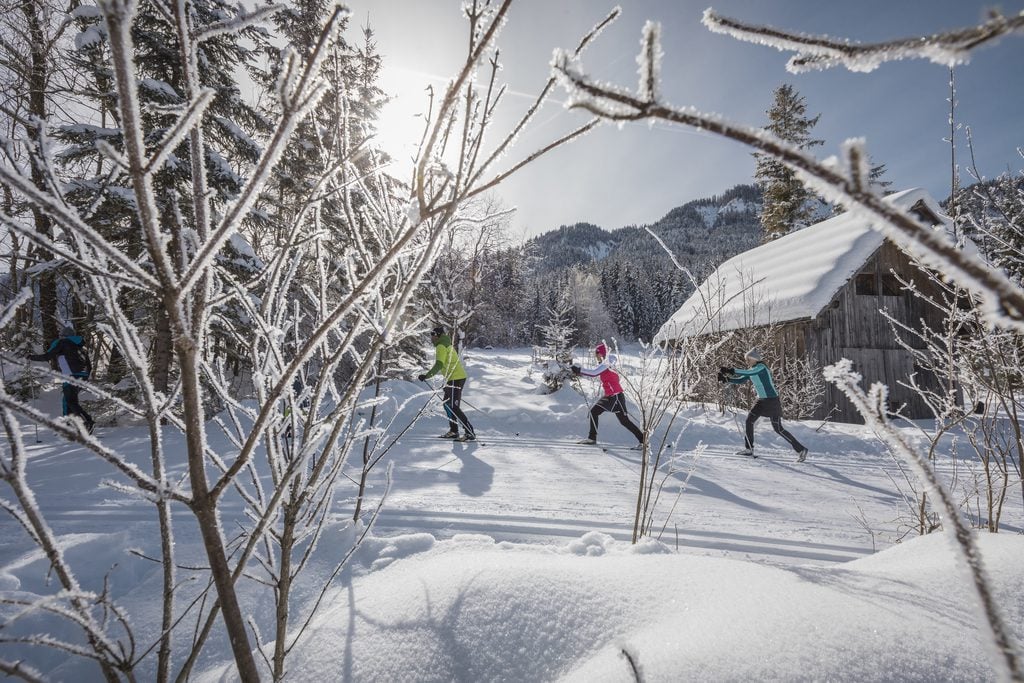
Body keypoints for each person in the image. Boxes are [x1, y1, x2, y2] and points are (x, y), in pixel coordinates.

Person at [720, 348, 808, 462]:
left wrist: (732, 370)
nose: (747, 362)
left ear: (754, 358)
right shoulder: (752, 369)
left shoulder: (761, 368)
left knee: (778, 429)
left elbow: (750, 372)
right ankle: (749, 449)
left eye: (748, 359)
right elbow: (741, 380)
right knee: (749, 421)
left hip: (772, 401)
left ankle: (801, 449)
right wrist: (727, 379)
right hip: (761, 401)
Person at [571, 343, 644, 449]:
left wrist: (580, 370)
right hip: (609, 396)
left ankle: (643, 441)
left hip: (616, 397)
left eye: (597, 353)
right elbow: (594, 373)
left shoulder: (608, 363)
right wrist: (580, 372)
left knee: (624, 421)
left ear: (602, 353)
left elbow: (594, 373)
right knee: (594, 412)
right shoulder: (604, 364)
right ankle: (592, 438)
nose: (596, 356)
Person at [28, 325, 95, 434]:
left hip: (71, 376)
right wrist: (85, 376)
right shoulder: (82, 347)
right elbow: (89, 366)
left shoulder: (62, 342)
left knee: (70, 401)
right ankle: (69, 425)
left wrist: (31, 357)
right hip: (83, 376)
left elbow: (47, 356)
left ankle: (87, 421)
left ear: (63, 335)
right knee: (67, 400)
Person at [418, 325, 475, 441]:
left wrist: (427, 375)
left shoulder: (441, 346)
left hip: (456, 378)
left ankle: (470, 432)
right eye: (431, 335)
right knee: (447, 405)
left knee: (453, 406)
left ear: (438, 336)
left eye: (433, 335)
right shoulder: (445, 344)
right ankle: (454, 431)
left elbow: (439, 364)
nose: (431, 337)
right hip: (452, 378)